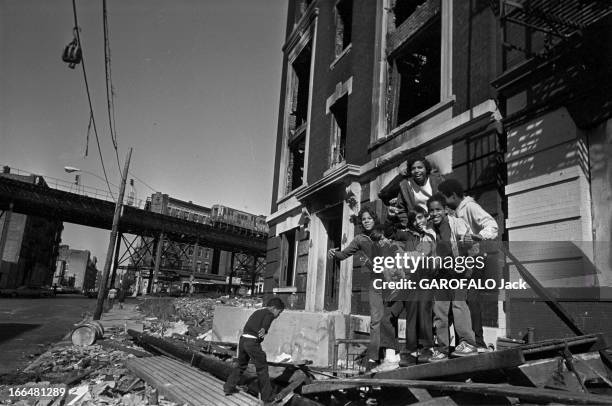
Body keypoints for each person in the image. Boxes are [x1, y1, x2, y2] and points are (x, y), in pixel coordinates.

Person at [438, 179, 498, 352]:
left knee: (470, 299)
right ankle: (462, 342)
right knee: (459, 303)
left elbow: (492, 226)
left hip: (476, 257)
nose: (443, 203)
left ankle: (478, 343)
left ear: (454, 196)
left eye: (445, 198)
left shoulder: (470, 207)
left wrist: (478, 236)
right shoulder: (455, 212)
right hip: (462, 262)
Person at [375, 210, 436, 371]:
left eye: (421, 217)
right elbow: (390, 232)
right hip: (402, 285)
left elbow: (422, 255)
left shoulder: (429, 236)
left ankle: (422, 350)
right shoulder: (407, 235)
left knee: (417, 315)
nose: (418, 222)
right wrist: (390, 216)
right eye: (414, 219)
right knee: (387, 316)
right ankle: (391, 355)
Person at [328, 207, 385, 371]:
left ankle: (390, 354)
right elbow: (344, 254)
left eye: (369, 218)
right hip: (376, 282)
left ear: (375, 219)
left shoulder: (383, 232)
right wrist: (333, 253)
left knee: (388, 318)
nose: (366, 221)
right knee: (375, 320)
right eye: (364, 219)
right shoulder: (360, 239)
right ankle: (374, 358)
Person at [427, 193, 478, 360]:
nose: (434, 213)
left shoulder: (457, 223)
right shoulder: (429, 231)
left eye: (438, 210)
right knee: (439, 313)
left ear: (445, 210)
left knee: (458, 306)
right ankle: (442, 349)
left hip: (459, 272)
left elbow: (469, 243)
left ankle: (468, 343)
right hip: (441, 275)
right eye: (431, 210)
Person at [224, 297, 285, 403]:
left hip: (243, 340)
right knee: (262, 368)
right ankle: (268, 397)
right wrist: (264, 329)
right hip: (251, 342)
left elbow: (250, 325)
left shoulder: (258, 312)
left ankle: (228, 387)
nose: (278, 315)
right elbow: (267, 321)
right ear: (274, 308)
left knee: (241, 365)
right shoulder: (269, 313)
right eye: (279, 312)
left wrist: (261, 333)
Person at [379, 155, 444, 229]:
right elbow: (401, 208)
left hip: (438, 221)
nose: (416, 171)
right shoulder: (405, 185)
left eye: (420, 167)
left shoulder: (436, 180)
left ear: (426, 168)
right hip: (419, 225)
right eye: (413, 168)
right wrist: (408, 224)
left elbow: (447, 199)